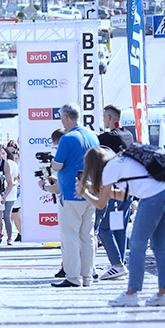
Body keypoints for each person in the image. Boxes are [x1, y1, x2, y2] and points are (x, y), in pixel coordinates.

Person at [78, 146, 165, 307]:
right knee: (160, 246)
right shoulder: (122, 161)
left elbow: (101, 204)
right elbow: (123, 195)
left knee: (137, 245)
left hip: (152, 196)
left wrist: (84, 193)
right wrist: (96, 189)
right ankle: (163, 293)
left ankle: (131, 293)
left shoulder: (109, 169)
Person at [49, 102, 101, 287]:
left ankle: (73, 277)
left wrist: (51, 164)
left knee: (70, 236)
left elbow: (57, 165)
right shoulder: (92, 135)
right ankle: (87, 276)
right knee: (87, 236)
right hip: (90, 191)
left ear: (65, 117)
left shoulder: (67, 138)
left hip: (71, 192)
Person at [96, 104, 136, 280]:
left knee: (104, 227)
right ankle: (120, 263)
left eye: (104, 116)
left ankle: (117, 264)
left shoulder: (105, 138)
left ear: (110, 118)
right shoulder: (129, 134)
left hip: (113, 188)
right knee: (119, 227)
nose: (103, 119)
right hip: (129, 188)